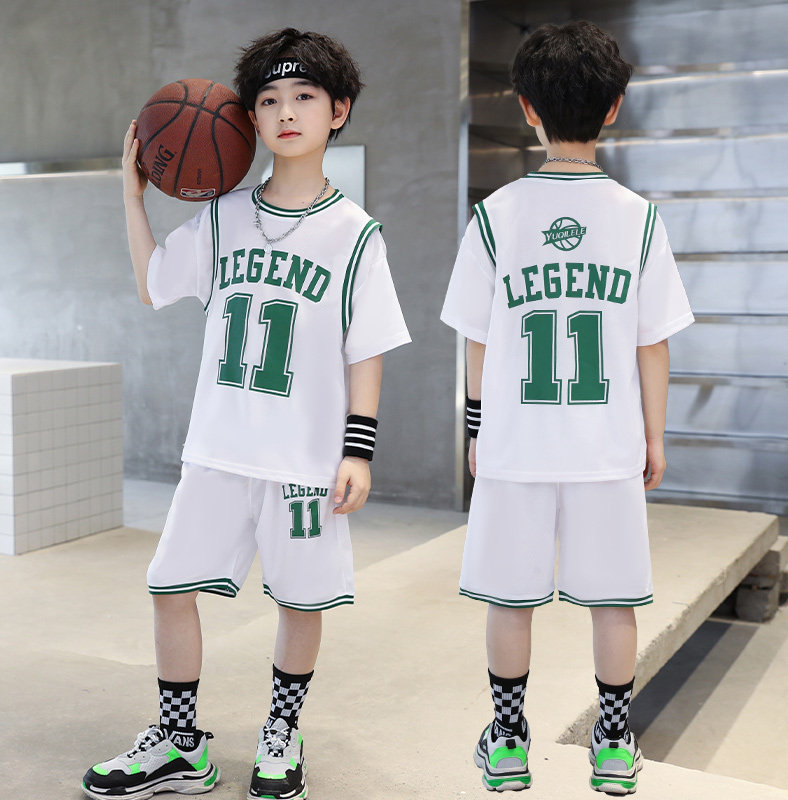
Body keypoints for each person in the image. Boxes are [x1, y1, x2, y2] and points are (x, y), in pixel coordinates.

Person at [82, 27, 410, 800]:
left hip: (304, 462)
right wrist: (132, 197)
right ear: (250, 118)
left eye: (304, 96)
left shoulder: (356, 235)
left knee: (300, 599)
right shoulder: (223, 216)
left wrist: (357, 450)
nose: (286, 112)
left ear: (338, 110)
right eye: (268, 100)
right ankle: (179, 743)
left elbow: (367, 350)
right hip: (219, 449)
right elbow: (154, 285)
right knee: (170, 585)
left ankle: (281, 732)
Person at [441, 20, 693, 795]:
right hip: (606, 445)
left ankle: (507, 742)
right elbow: (653, 344)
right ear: (613, 108)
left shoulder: (495, 216)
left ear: (527, 109)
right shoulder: (639, 217)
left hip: (516, 443)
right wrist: (654, 438)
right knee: (613, 600)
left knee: (509, 598)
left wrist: (476, 427)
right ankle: (612, 746)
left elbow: (477, 338)